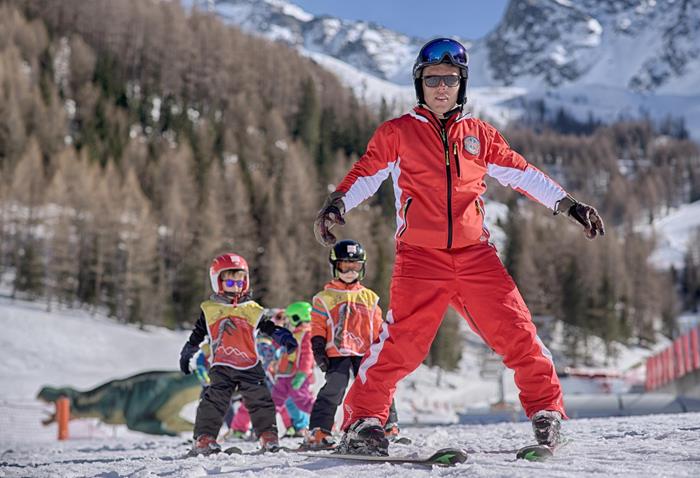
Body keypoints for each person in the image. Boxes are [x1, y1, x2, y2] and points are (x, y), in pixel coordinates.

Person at [312, 38, 605, 456]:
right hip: (419, 258)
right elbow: (367, 172)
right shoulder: (398, 133)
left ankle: (546, 412)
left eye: (449, 79)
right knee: (400, 346)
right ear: (420, 84)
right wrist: (338, 203)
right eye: (432, 79)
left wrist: (569, 205)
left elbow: (522, 173)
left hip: (475, 257)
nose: (441, 87)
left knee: (518, 332)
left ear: (461, 84)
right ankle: (363, 422)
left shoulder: (479, 135)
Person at [179, 253, 298, 456]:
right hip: (222, 365)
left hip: (250, 364)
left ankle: (268, 436)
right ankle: (204, 438)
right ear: (217, 282)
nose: (236, 285)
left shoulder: (251, 309)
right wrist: (188, 351)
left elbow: (267, 327)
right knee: (213, 400)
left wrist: (282, 335)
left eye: (240, 280)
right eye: (230, 281)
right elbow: (197, 334)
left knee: (261, 400)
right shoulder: (210, 310)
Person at [303, 240, 400, 450]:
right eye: (344, 266)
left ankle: (388, 424)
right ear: (335, 267)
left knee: (375, 384)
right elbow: (318, 325)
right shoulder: (324, 298)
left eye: (354, 266)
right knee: (334, 388)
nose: (349, 271)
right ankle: (319, 430)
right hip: (337, 352)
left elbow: (377, 327)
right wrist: (318, 348)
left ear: (362, 268)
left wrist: (382, 349)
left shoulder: (370, 298)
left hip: (365, 352)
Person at [268, 301, 315, 437]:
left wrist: (302, 373)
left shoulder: (306, 335)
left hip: (297, 376)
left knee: (303, 402)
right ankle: (266, 428)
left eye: (288, 319)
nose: (286, 322)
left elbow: (307, 355)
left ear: (296, 318)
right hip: (284, 376)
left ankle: (324, 422)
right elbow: (277, 347)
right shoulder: (291, 334)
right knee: (274, 401)